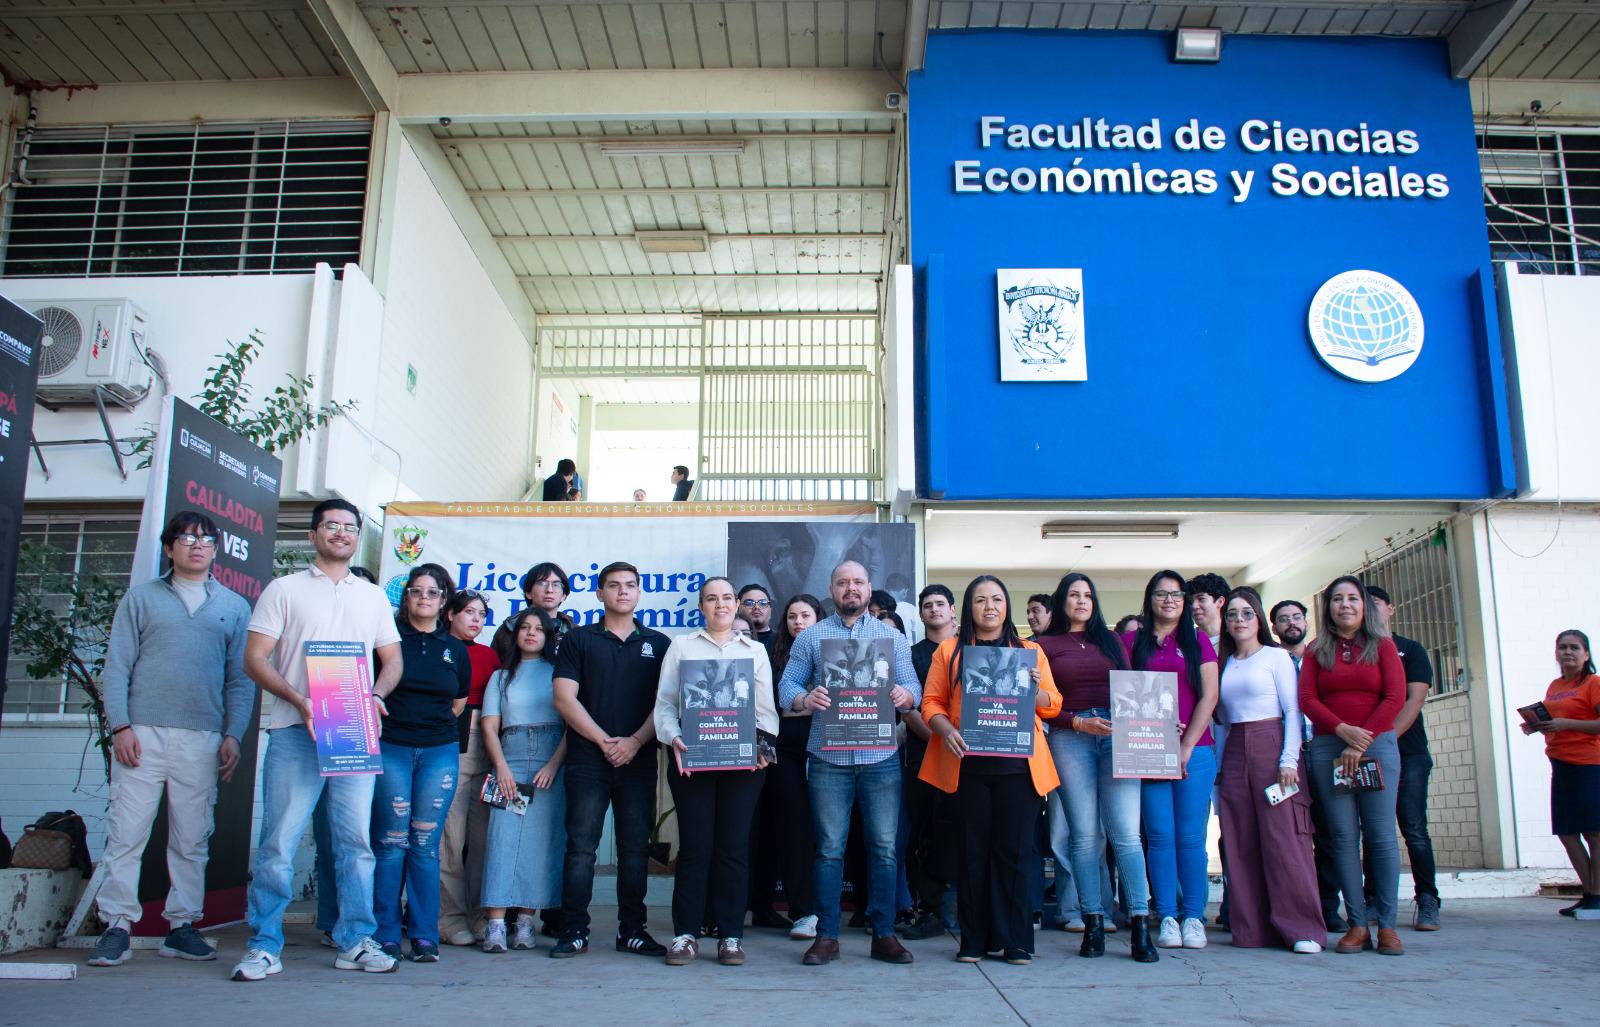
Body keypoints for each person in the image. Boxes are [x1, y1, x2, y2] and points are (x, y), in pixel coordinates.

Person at [231, 499, 402, 981]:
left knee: (354, 843)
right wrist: (301, 699)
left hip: (352, 728)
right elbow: (255, 659)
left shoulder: (371, 597)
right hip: (294, 730)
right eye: (332, 526)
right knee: (279, 843)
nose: (342, 533)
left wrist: (373, 694)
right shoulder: (283, 589)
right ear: (313, 534)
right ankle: (264, 944)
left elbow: (392, 660)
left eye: (350, 527)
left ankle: (355, 940)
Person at [87, 511, 253, 968]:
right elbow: (117, 666)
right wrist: (120, 726)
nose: (196, 545)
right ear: (169, 548)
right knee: (126, 833)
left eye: (205, 539)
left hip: (202, 737)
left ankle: (181, 925)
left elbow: (239, 680)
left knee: (191, 837)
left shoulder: (234, 607)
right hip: (141, 733)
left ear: (216, 549)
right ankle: (117, 925)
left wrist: (233, 735)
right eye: (185, 538)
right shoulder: (141, 599)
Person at [777, 560, 921, 966]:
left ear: (870, 587)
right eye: (843, 583)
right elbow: (786, 685)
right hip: (828, 758)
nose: (851, 589)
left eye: (858, 582)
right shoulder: (813, 637)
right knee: (827, 851)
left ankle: (885, 934)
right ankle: (826, 936)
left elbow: (913, 686)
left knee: (885, 850)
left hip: (880, 759)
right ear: (832, 589)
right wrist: (805, 699)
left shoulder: (890, 638)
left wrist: (904, 697)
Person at [920, 576, 1062, 964]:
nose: (989, 607)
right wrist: (945, 728)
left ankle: (1015, 940)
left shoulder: (1029, 650)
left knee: (1014, 854)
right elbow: (930, 703)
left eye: (997, 599)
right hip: (966, 766)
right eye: (980, 600)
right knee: (972, 853)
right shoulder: (950, 651)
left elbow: (1053, 704)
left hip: (1019, 768)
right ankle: (973, 940)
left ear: (1006, 606)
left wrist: (1036, 689)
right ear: (969, 609)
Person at [654, 578, 779, 966]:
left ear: (737, 604)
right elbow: (663, 706)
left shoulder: (755, 651)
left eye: (727, 598)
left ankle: (730, 936)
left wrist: (764, 748)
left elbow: (765, 711)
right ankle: (686, 935)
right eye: (712, 598)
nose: (720, 604)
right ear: (702, 606)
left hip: (743, 765)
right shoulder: (681, 646)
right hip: (693, 761)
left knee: (733, 849)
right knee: (695, 848)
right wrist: (674, 738)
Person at [551, 561, 672, 958]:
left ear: (639, 593)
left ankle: (632, 931)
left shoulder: (660, 643)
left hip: (638, 762)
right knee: (581, 849)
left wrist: (635, 742)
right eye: (614, 586)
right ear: (600, 593)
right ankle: (574, 930)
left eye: (630, 586)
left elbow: (667, 703)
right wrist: (606, 742)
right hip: (588, 760)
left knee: (635, 849)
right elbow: (564, 699)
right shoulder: (578, 640)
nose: (622, 592)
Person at [1038, 573, 1154, 961]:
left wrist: (1157, 724)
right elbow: (1042, 703)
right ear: (1062, 601)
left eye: (1088, 595)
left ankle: (1139, 922)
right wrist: (1076, 722)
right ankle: (1092, 924)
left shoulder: (1113, 641)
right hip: (1070, 736)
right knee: (1084, 836)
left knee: (1125, 834)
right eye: (1074, 594)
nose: (1082, 601)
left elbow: (1134, 689)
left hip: (1119, 734)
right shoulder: (1045, 644)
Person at [1299, 576, 1406, 956]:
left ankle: (1388, 926)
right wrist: (1343, 731)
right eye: (1337, 599)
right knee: (1343, 838)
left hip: (1377, 746)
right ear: (1327, 608)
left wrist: (1361, 741)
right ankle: (1357, 924)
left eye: (1353, 599)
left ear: (1364, 606)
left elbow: (1396, 697)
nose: (1345, 605)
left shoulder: (1384, 647)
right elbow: (1308, 699)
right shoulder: (1316, 650)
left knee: (1380, 836)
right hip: (1331, 747)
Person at [1215, 588, 1325, 954]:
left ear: (1259, 618)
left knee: (1284, 840)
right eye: (1232, 614)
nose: (1239, 620)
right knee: (1240, 841)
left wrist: (1288, 760)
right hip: (1234, 748)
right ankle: (1252, 929)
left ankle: (1302, 928)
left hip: (1271, 743)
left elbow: (1294, 711)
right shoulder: (1224, 663)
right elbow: (1221, 717)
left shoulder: (1276, 658)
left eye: (1247, 613)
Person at [371, 564, 471, 962]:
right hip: (391, 746)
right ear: (406, 597)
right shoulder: (387, 641)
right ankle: (386, 933)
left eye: (433, 593)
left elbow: (458, 702)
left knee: (426, 845)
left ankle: (425, 935)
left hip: (439, 750)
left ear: (443, 601)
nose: (424, 598)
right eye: (417, 592)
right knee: (391, 843)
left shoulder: (456, 649)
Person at [1128, 570, 1219, 953]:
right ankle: (1166, 915)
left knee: (1189, 837)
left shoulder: (1197, 641)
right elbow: (1125, 692)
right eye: (1161, 594)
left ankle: (1193, 916)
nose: (1169, 600)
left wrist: (1184, 746)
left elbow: (1209, 697)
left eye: (1176, 594)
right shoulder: (1132, 641)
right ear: (1149, 599)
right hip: (1147, 747)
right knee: (1160, 836)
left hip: (1195, 750)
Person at [479, 608, 568, 952]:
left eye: (538, 629)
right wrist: (500, 767)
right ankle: (496, 924)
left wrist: (553, 764)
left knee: (539, 841)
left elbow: (570, 724)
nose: (531, 633)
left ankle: (526, 922)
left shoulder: (558, 674)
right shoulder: (501, 678)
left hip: (548, 763)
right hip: (511, 758)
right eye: (525, 628)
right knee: (504, 837)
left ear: (548, 636)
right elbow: (489, 725)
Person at [1364, 585, 1441, 931]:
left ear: (1391, 609)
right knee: (1370, 831)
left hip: (1407, 755)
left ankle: (1427, 899)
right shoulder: (1356, 653)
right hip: (1364, 755)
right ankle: (1372, 902)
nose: (1369, 610)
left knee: (1413, 828)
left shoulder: (1409, 650)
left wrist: (1387, 740)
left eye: (1375, 604)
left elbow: (1414, 700)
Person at [1521, 629, 1600, 920]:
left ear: (1586, 654)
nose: (1567, 652)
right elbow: (1553, 720)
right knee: (1567, 832)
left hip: (1589, 763)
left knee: (1594, 831)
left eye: (1574, 648)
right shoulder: (1555, 685)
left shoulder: (1593, 683)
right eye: (1562, 647)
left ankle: (1598, 896)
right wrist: (1536, 725)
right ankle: (1589, 892)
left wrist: (1566, 723)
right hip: (1560, 763)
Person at [439, 589, 501, 947]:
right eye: (468, 613)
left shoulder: (490, 656)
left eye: (481, 614)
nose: (475, 620)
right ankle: (448, 918)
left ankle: (482, 916)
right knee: (451, 836)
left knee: (482, 839)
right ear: (450, 614)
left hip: (488, 739)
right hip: (452, 736)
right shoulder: (440, 648)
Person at [900, 585, 957, 940]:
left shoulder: (973, 649)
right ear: (920, 615)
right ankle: (930, 909)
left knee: (962, 834)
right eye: (927, 605)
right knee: (924, 836)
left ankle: (967, 909)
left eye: (940, 604)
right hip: (925, 757)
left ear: (953, 610)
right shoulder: (910, 655)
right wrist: (943, 737)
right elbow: (908, 709)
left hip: (973, 759)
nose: (934, 610)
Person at [770, 594, 826, 941]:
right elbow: (776, 705)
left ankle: (827, 909)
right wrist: (805, 703)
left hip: (827, 747)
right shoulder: (773, 656)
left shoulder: (833, 649)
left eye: (805, 615)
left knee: (828, 833)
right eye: (792, 616)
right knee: (794, 831)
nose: (798, 622)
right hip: (786, 751)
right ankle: (801, 911)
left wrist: (800, 705)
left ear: (819, 618)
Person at [1189, 573, 1230, 650]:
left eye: (1201, 599)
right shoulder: (1185, 641)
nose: (1194, 606)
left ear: (1220, 602)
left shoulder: (1235, 640)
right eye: (1191, 601)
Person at [1270, 600, 1310, 667]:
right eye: (1283, 619)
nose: (1292, 622)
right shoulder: (1268, 661)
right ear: (1274, 629)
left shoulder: (1319, 657)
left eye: (1297, 618)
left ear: (1306, 623)